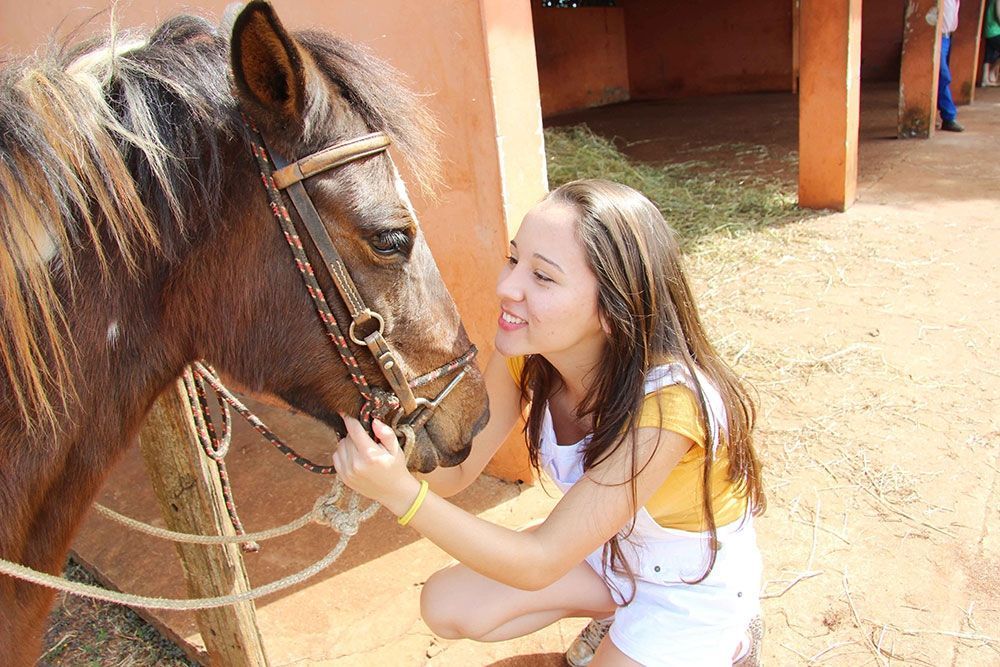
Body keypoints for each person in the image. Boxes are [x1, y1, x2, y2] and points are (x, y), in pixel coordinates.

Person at [334, 179, 766, 666]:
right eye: (514, 259)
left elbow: (540, 561)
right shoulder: (529, 357)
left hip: (687, 586)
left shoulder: (671, 406)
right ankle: (616, 611)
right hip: (609, 554)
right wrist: (385, 431)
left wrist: (400, 495)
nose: (506, 287)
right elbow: (455, 474)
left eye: (543, 277)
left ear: (612, 309)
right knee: (446, 606)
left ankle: (730, 642)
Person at [938, 0, 965, 132]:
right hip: (938, 38)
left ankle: (943, 114)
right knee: (943, 76)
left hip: (947, 37)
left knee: (940, 78)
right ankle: (948, 117)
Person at [983, 0, 1000, 86]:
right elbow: (999, 16)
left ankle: (985, 78)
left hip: (990, 30)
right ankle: (992, 71)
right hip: (995, 31)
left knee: (988, 55)